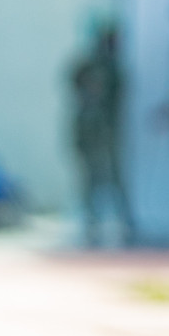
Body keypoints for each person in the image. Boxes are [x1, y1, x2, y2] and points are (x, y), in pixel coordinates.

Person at [70, 22, 135, 247]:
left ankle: (125, 225)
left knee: (115, 180)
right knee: (89, 181)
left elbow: (118, 101)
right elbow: (73, 85)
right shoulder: (85, 65)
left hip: (107, 134)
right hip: (89, 133)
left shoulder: (114, 70)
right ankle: (92, 225)